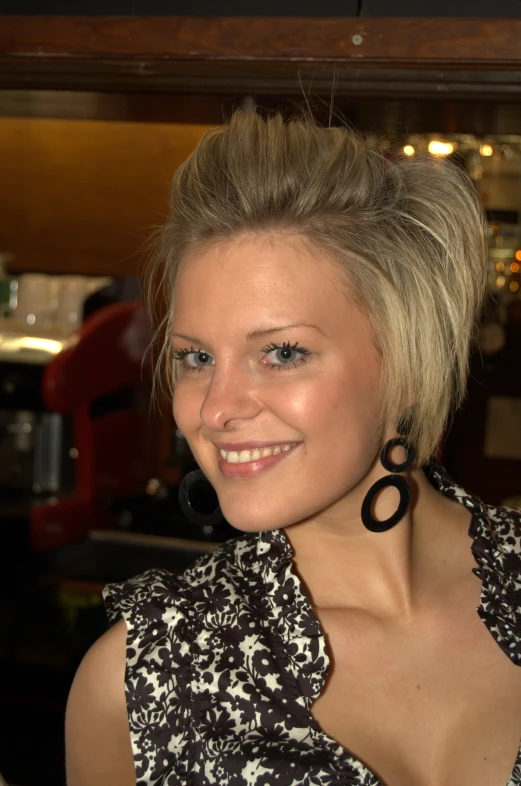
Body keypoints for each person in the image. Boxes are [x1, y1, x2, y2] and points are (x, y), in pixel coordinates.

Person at [65, 110, 521, 786]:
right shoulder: (146, 674)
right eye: (194, 357)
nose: (215, 410)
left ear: (403, 362)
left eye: (280, 352)